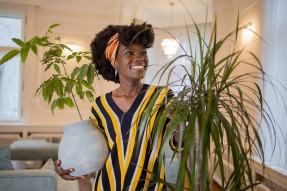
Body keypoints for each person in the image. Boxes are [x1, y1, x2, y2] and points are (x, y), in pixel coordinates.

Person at [54, 23, 179, 191]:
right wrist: (68, 166)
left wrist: (180, 122)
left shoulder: (162, 96)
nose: (140, 57)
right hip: (106, 186)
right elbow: (93, 151)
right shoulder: (100, 104)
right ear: (115, 62)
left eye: (143, 52)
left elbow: (177, 144)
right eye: (130, 53)